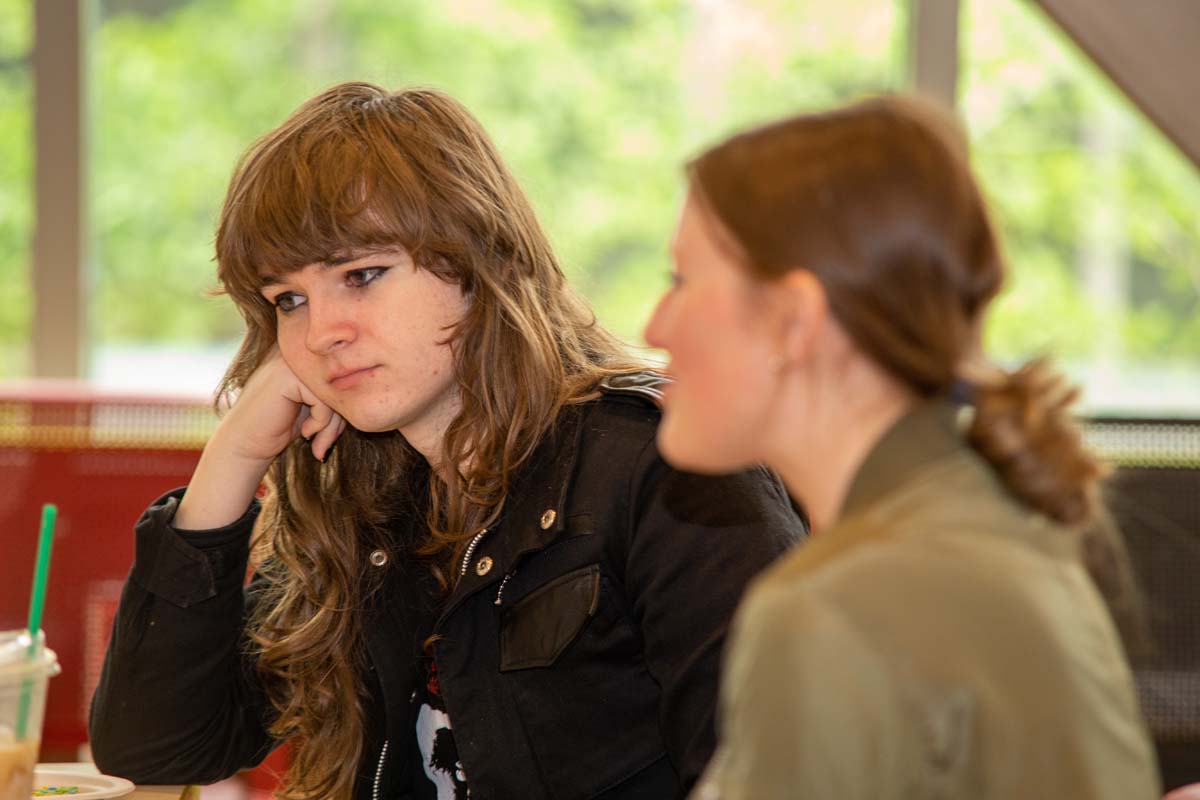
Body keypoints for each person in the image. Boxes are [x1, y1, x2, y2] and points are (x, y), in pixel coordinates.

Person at [88, 82, 806, 800]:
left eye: (362, 275)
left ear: (479, 257)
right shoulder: (365, 501)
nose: (321, 331)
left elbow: (781, 778)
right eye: (289, 300)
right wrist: (233, 459)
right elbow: (155, 747)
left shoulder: (666, 472)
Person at [643, 94, 1160, 799]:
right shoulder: (999, 523)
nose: (654, 327)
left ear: (794, 320)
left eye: (681, 281)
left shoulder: (833, 606)